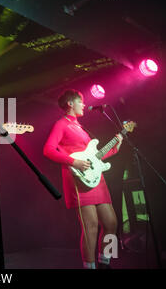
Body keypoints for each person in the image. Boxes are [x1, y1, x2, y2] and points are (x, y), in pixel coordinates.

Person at [43, 89, 123, 269]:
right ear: (70, 104)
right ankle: (90, 266)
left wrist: (115, 148)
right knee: (91, 226)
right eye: (81, 101)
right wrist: (74, 161)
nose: (84, 105)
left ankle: (106, 262)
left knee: (112, 223)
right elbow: (48, 150)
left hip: (96, 178)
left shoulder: (81, 127)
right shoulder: (61, 124)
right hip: (79, 180)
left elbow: (94, 157)